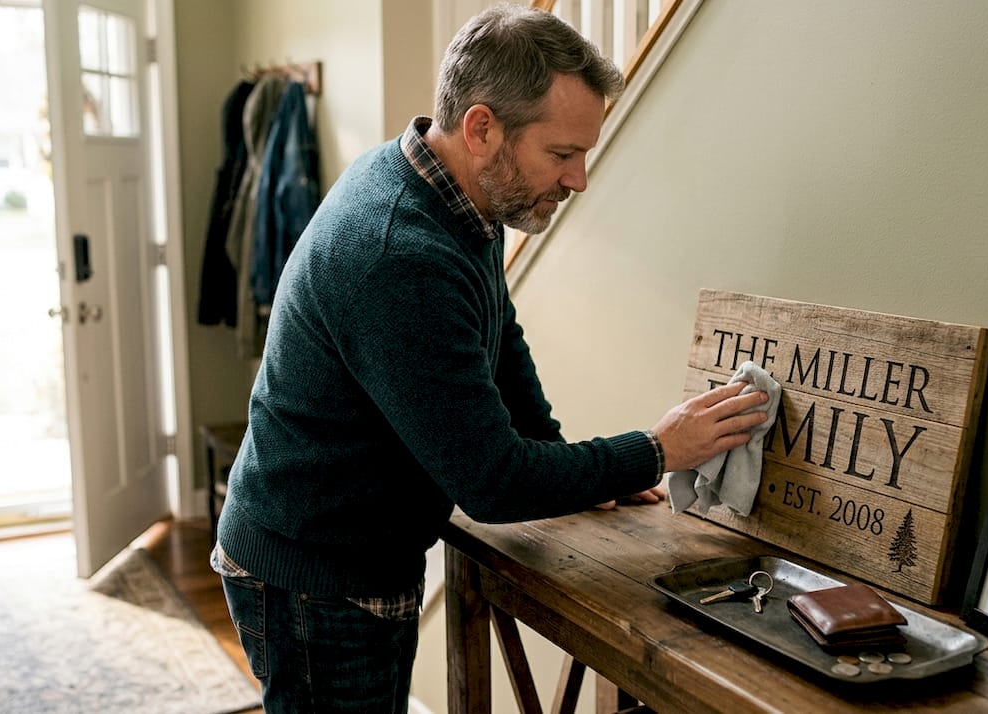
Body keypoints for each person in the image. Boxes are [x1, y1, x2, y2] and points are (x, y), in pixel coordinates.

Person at [211, 6, 773, 712]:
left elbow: (500, 337)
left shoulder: (452, 195)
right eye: (562, 154)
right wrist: (654, 450)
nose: (579, 180)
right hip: (315, 572)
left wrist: (572, 462)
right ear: (482, 129)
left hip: (342, 548)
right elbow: (491, 483)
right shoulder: (399, 254)